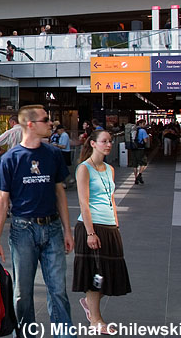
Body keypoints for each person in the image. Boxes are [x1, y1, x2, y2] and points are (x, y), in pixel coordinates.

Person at [0, 105, 73, 334]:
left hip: (53, 228)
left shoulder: (53, 154)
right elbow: (2, 201)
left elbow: (60, 193)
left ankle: (63, 333)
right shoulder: (10, 159)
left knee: (58, 289)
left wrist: (67, 230)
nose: (51, 123)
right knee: (22, 292)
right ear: (30, 124)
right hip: (22, 229)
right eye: (46, 120)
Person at [73, 129, 131, 333]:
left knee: (110, 272)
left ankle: (90, 304)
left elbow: (111, 198)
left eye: (110, 141)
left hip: (109, 226)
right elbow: (83, 202)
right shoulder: (83, 169)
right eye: (104, 141)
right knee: (94, 274)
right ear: (93, 144)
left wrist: (116, 223)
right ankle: (96, 320)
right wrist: (90, 233)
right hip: (91, 226)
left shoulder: (109, 169)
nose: (109, 145)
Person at [129, 120, 150, 184]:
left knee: (135, 164)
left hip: (133, 149)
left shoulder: (133, 130)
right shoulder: (143, 131)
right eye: (143, 124)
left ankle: (136, 179)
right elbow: (145, 141)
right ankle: (139, 175)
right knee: (144, 163)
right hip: (140, 149)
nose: (144, 125)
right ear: (140, 124)